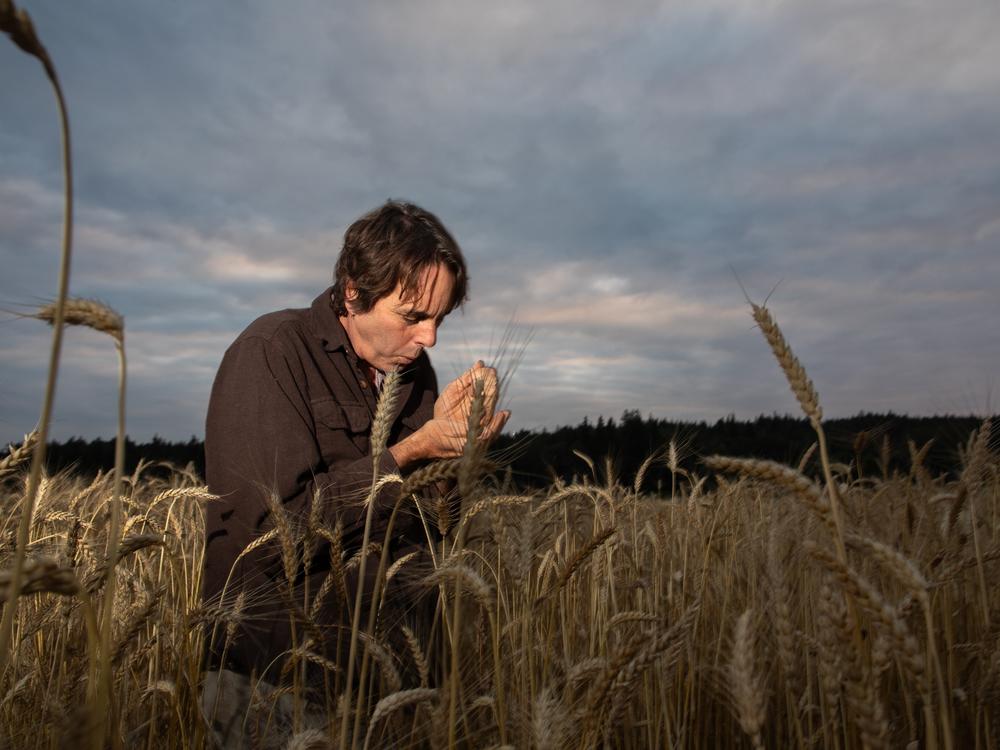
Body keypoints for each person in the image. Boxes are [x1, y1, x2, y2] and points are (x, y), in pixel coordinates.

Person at [200, 201, 509, 716]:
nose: (429, 337)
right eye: (412, 317)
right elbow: (270, 535)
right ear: (353, 292)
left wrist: (455, 457)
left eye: (439, 319)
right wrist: (410, 450)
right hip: (279, 679)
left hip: (388, 680)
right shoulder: (272, 352)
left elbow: (430, 533)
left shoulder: (414, 374)